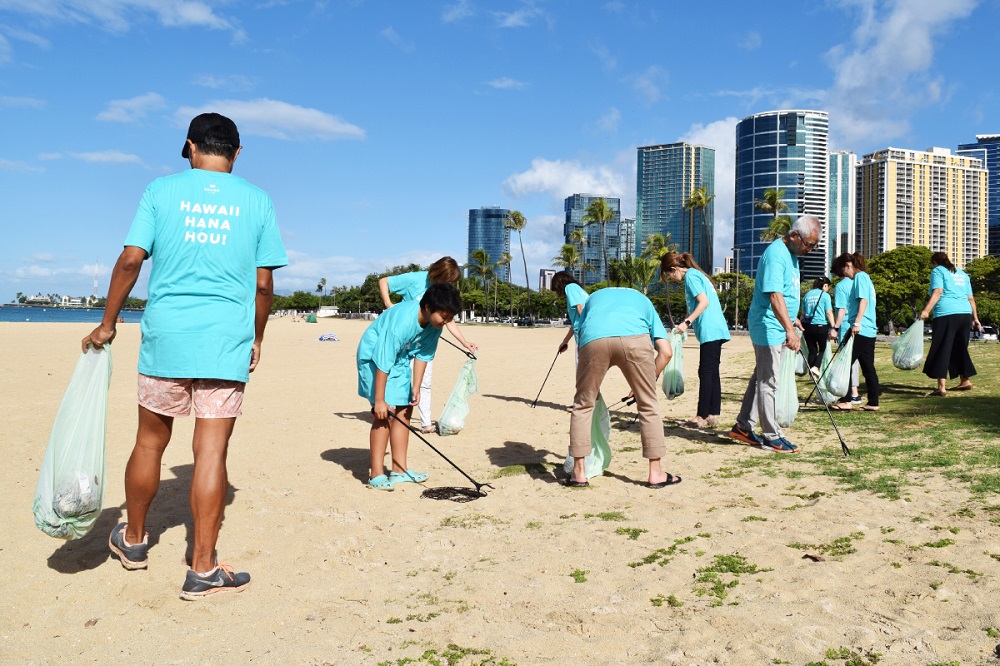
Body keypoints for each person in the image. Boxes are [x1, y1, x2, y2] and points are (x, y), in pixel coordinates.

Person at [82, 113, 288, 600]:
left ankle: (133, 540)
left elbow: (131, 259)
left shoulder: (160, 191)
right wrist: (256, 337)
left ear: (190, 147)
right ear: (237, 154)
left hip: (166, 340)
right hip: (225, 343)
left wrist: (108, 323)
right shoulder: (258, 201)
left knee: (150, 443)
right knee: (211, 452)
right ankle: (203, 568)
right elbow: (263, 284)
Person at [566, 287, 677, 488]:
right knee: (648, 405)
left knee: (583, 405)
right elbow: (666, 352)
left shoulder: (593, 298)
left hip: (594, 340)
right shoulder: (643, 300)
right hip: (635, 339)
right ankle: (656, 473)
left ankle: (579, 472)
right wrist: (646, 383)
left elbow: (580, 335)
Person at [728, 216, 821, 453]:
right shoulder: (776, 254)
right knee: (769, 381)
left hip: (780, 323)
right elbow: (774, 295)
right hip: (768, 325)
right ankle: (772, 435)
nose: (810, 250)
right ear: (794, 236)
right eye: (809, 245)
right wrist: (790, 330)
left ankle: (743, 427)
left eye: (814, 246)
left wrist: (794, 320)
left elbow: (787, 293)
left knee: (760, 377)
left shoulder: (792, 255)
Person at [358, 283, 463, 491]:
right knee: (384, 413)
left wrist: (416, 387)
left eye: (450, 318)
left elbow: (423, 355)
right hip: (373, 357)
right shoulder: (403, 322)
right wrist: (379, 400)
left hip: (400, 359)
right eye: (443, 316)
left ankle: (399, 470)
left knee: (405, 408)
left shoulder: (435, 327)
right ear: (426, 307)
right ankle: (376, 473)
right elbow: (382, 359)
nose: (446, 321)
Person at [378, 258, 477, 434]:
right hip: (404, 340)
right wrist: (389, 305)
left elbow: (449, 319)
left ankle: (425, 423)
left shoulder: (443, 293)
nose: (448, 285)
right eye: (446, 280)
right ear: (436, 273)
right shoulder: (415, 279)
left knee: (424, 382)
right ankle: (390, 412)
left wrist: (464, 342)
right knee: (399, 377)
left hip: (427, 340)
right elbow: (384, 281)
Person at [660, 252, 731, 427]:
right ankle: (713, 414)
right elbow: (696, 304)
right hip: (717, 328)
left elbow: (703, 302)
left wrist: (686, 323)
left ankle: (701, 416)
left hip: (710, 329)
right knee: (712, 372)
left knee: (705, 372)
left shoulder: (691, 276)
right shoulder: (697, 275)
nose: (671, 278)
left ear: (674, 269)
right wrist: (685, 322)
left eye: (669, 275)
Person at [919, 251, 981, 396]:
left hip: (946, 313)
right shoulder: (962, 273)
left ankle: (941, 388)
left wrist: (926, 310)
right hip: (965, 314)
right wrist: (975, 318)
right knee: (960, 348)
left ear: (934, 262)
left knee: (942, 347)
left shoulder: (938, 271)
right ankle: (965, 381)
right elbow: (971, 298)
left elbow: (938, 291)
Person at [831, 252, 880, 411]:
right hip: (869, 329)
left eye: (843, 271)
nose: (844, 274)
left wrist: (857, 323)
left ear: (848, 265)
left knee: (845, 363)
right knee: (867, 367)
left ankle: (846, 400)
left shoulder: (860, 277)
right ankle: (873, 402)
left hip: (861, 328)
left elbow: (863, 301)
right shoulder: (866, 278)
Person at [828, 254, 861, 407]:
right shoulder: (858, 281)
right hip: (859, 325)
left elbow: (841, 310)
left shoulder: (841, 286)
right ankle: (853, 392)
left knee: (848, 361)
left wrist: (835, 327)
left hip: (848, 326)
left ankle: (853, 394)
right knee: (856, 361)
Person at [800, 277, 836, 377]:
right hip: (821, 325)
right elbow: (828, 312)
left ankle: (812, 374)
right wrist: (834, 327)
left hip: (807, 326)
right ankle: (815, 367)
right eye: (828, 286)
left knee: (812, 351)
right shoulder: (825, 296)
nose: (828, 289)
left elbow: (803, 314)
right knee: (822, 349)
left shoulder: (807, 295)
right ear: (825, 285)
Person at [551, 271, 589, 358]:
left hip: (584, 337)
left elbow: (580, 308)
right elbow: (576, 323)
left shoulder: (570, 287)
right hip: (589, 336)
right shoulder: (580, 290)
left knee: (582, 370)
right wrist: (565, 341)